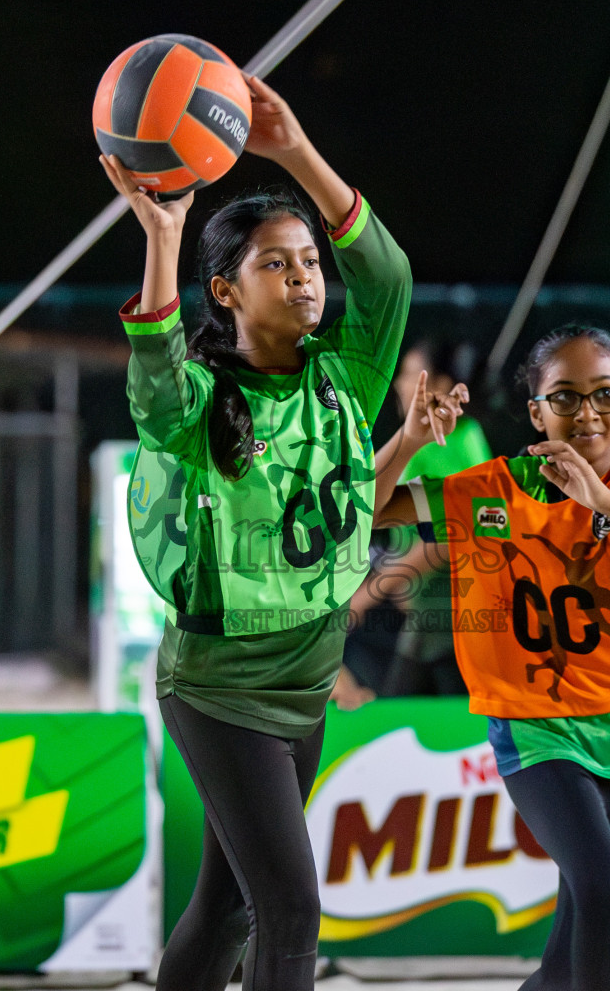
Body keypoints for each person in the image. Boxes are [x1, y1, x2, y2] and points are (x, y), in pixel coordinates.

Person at [107, 75, 447, 991]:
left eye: (308, 261)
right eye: (276, 264)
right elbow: (154, 381)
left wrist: (294, 149)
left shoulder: (346, 380)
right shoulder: (202, 404)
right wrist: (165, 239)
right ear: (224, 289)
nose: (304, 278)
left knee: (228, 906)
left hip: (306, 672)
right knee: (292, 909)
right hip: (222, 682)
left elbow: (388, 275)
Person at [375, 325, 610, 991]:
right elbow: (358, 511)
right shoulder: (492, 491)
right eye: (564, 397)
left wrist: (607, 503)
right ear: (536, 412)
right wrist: (410, 442)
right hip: (535, 724)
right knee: (606, 895)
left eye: (604, 395)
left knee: (575, 943)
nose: (587, 412)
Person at [349, 339, 493, 698]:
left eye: (410, 374)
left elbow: (454, 535)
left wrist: (367, 595)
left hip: (457, 618)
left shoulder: (457, 441)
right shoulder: (423, 444)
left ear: (441, 387)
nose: (399, 383)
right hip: (427, 616)